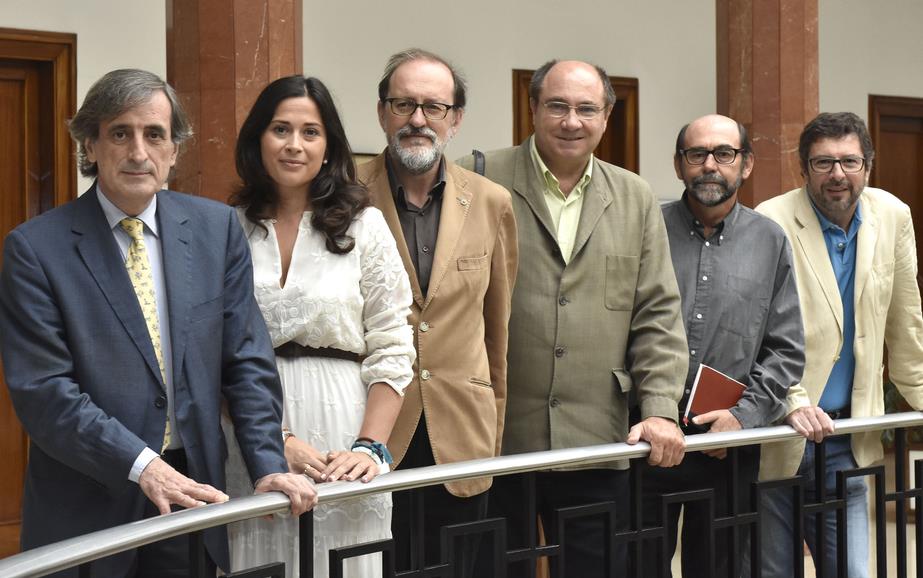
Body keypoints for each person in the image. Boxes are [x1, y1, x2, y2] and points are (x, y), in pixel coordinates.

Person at [0, 69, 315, 578]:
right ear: (91, 145)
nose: (138, 152)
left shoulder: (216, 230)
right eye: (120, 133)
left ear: (174, 150)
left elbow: (246, 361)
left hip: (191, 498)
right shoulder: (35, 250)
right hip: (88, 502)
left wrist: (268, 465)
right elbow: (44, 393)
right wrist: (144, 465)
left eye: (154, 135)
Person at [460, 59, 687, 577]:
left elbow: (657, 315)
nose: (571, 120)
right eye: (558, 105)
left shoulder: (635, 196)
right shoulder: (477, 177)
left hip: (599, 438)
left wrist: (659, 408)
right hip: (497, 436)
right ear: (533, 108)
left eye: (587, 108)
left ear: (606, 116)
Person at [223, 75, 415, 578]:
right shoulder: (228, 227)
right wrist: (275, 437)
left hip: (343, 427)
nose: (294, 144)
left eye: (310, 132)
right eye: (280, 129)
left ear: (329, 146)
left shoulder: (365, 226)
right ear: (257, 140)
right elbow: (212, 352)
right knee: (260, 560)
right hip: (251, 428)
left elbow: (394, 346)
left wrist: (369, 446)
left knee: (341, 561)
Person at [356, 48, 518, 574]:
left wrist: (491, 433)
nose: (418, 120)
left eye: (434, 107)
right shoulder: (344, 195)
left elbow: (498, 334)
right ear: (382, 113)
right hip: (370, 433)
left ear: (456, 119)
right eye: (404, 105)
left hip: (463, 434)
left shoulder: (492, 202)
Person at [751, 112, 923, 578]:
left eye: (849, 161)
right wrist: (790, 401)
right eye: (823, 163)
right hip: (782, 433)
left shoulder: (893, 214)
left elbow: (906, 325)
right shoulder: (771, 219)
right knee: (775, 571)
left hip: (849, 439)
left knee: (852, 571)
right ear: (802, 168)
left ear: (868, 163)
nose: (837, 175)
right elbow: (756, 332)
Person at [639, 114, 804, 577]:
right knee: (637, 563)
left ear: (746, 165)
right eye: (698, 154)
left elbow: (786, 348)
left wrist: (742, 418)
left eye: (724, 154)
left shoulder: (770, 240)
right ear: (678, 165)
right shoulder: (647, 226)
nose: (710, 165)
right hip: (647, 438)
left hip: (728, 446)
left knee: (720, 566)